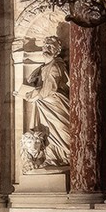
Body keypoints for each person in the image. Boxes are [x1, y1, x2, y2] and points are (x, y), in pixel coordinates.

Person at [16, 35, 71, 169]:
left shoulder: (56, 65)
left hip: (55, 103)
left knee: (61, 131)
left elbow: (50, 88)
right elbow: (34, 84)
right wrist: (25, 93)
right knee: (48, 132)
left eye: (51, 46)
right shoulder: (42, 68)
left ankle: (66, 156)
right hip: (44, 103)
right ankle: (52, 158)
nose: (47, 48)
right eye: (45, 46)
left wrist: (32, 96)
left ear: (57, 51)